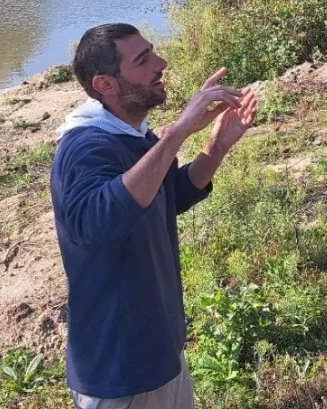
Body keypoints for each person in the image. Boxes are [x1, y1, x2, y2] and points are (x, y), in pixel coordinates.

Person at [52, 24, 258, 409]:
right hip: (120, 371)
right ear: (105, 84)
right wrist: (177, 132)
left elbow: (164, 197)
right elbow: (98, 223)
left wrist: (216, 147)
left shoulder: (132, 135)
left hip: (160, 352)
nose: (161, 64)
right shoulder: (85, 148)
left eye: (153, 53)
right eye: (143, 60)